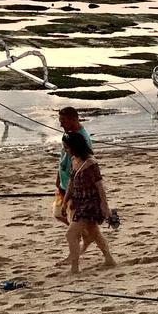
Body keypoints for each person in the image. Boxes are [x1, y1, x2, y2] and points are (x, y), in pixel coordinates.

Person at [62, 131, 116, 274]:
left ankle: (74, 268)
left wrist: (105, 207)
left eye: (66, 147)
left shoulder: (90, 163)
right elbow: (71, 183)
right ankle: (109, 259)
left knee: (71, 235)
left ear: (74, 146)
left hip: (91, 204)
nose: (65, 150)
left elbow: (100, 187)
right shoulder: (74, 160)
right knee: (94, 233)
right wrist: (65, 201)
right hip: (80, 202)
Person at [55, 107, 94, 264]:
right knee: (58, 213)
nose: (61, 125)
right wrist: (58, 177)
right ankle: (85, 235)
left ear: (73, 119)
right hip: (64, 183)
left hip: (74, 187)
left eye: (63, 121)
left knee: (73, 223)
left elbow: (87, 162)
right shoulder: (67, 135)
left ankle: (75, 253)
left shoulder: (81, 138)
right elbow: (63, 157)